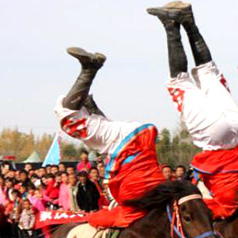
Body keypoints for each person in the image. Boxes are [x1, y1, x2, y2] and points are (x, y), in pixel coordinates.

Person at [147, 0, 238, 218]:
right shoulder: (234, 209)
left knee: (208, 70)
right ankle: (171, 25)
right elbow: (207, 211)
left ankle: (188, 21)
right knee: (179, 81)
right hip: (215, 137)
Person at [54, 47, 167, 228]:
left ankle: (90, 99)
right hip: (129, 141)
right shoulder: (133, 212)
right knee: (69, 119)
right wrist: (91, 219)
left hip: (136, 139)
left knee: (102, 131)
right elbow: (104, 218)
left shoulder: (158, 201)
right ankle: (89, 69)